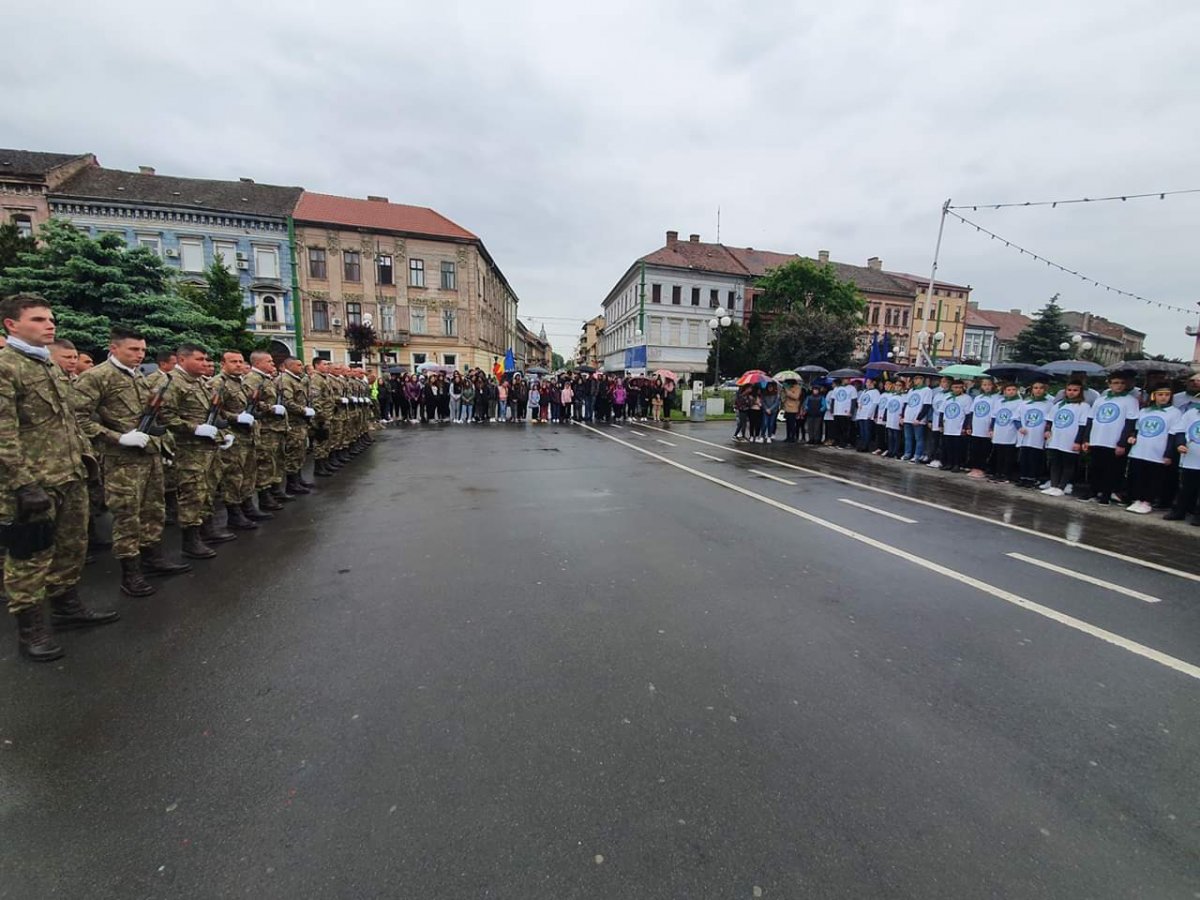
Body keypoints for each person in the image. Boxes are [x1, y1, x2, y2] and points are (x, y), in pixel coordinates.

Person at [0, 293, 118, 661]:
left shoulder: (47, 366)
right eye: (37, 319)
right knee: (30, 555)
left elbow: (66, 422)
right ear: (11, 325)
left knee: (71, 546)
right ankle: (30, 629)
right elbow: (3, 433)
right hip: (33, 482)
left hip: (68, 473)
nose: (49, 325)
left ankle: (67, 606)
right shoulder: (7, 367)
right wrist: (23, 484)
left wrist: (86, 463)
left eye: (50, 319)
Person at [72, 326, 192, 597]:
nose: (139, 355)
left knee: (153, 510)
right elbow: (77, 419)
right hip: (122, 461)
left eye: (142, 350)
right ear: (113, 348)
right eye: (133, 350)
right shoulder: (97, 377)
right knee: (127, 516)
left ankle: (153, 558)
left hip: (148, 455)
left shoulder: (138, 376)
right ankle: (130, 573)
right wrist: (117, 437)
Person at [161, 343, 235, 559]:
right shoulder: (172, 383)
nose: (205, 363)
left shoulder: (199, 383)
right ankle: (190, 541)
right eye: (199, 359)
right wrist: (195, 429)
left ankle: (206, 529)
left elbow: (211, 414)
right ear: (182, 360)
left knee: (207, 490)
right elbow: (165, 417)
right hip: (188, 450)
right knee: (192, 494)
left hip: (207, 449)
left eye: (205, 359)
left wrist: (221, 435)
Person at [1082, 372, 1140, 505]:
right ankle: (1093, 491)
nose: (1119, 386)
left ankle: (1106, 495)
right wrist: (1086, 439)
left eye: (1122, 383)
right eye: (1115, 383)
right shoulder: (1101, 399)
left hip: (1114, 441)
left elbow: (1130, 422)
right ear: (1109, 384)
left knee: (1112, 470)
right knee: (1096, 467)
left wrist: (1122, 443)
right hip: (1097, 438)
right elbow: (1091, 419)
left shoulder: (1130, 400)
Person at [1125, 384, 1181, 514]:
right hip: (1140, 449)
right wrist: (1132, 436)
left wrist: (1168, 454)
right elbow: (1137, 428)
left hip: (1158, 451)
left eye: (1166, 395)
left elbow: (1173, 434)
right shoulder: (1145, 411)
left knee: (1153, 478)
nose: (1163, 398)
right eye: (1160, 395)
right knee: (1138, 476)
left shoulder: (1175, 413)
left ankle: (1147, 501)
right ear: (1154, 396)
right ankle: (1137, 499)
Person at [1042, 380, 1091, 497]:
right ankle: (1053, 485)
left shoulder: (1084, 406)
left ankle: (1062, 486)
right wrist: (1047, 430)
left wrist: (1078, 441)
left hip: (1070, 440)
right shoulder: (1059, 404)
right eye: (1069, 390)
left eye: (1075, 390)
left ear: (1080, 392)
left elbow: (1083, 425)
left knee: (1068, 464)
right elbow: (1050, 420)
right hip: (1056, 438)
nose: (1072, 393)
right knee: (1055, 463)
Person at [1166, 395, 1200, 523]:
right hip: (1191, 457)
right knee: (1186, 487)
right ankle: (1179, 511)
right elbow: (1179, 430)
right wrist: (1180, 444)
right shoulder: (1191, 413)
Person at [1015, 380, 1053, 488]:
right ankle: (1023, 477)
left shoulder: (1049, 404)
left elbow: (1050, 419)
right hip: (1025, 435)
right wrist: (1020, 427)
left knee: (1035, 457)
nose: (1038, 390)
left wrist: (1047, 430)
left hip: (1038, 435)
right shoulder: (1025, 403)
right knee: (1024, 457)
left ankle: (1032, 478)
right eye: (1035, 388)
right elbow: (1016, 417)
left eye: (1041, 388)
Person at [988, 382, 1022, 483]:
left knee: (1008, 454)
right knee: (999, 454)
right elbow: (994, 416)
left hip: (1010, 431)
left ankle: (1006, 474)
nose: (1011, 392)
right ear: (1004, 391)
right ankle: (998, 472)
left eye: (1013, 390)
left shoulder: (1019, 402)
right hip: (999, 430)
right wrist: (991, 428)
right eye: (1008, 390)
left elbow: (1017, 417)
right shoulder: (1000, 401)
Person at [966, 376, 999, 478]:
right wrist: (969, 426)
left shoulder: (996, 398)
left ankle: (982, 468)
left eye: (989, 385)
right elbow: (972, 412)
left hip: (987, 428)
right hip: (976, 427)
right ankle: (974, 467)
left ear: (993, 386)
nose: (987, 387)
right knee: (975, 449)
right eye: (985, 385)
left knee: (985, 450)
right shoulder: (978, 397)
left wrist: (992, 428)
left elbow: (995, 415)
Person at [901, 375, 932, 462]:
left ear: (922, 379)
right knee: (908, 437)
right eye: (915, 379)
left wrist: (919, 418)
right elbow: (906, 404)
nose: (916, 380)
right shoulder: (911, 390)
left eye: (918, 379)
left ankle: (917, 455)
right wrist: (903, 416)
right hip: (908, 417)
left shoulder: (927, 390)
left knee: (918, 438)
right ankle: (907, 453)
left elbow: (926, 405)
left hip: (917, 419)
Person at [829, 378, 857, 448]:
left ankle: (843, 443)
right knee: (836, 428)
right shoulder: (837, 388)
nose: (846, 380)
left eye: (847, 379)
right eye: (844, 379)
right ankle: (837, 442)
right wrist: (832, 410)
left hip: (845, 412)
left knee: (844, 429)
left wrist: (851, 411)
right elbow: (833, 399)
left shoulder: (852, 388)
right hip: (837, 411)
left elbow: (853, 401)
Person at [854, 378, 879, 452]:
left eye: (868, 382)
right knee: (862, 431)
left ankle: (866, 446)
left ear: (872, 383)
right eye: (866, 382)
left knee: (867, 431)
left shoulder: (875, 392)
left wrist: (870, 414)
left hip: (868, 415)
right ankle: (861, 444)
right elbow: (859, 401)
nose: (867, 384)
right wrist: (859, 405)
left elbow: (875, 404)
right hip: (861, 413)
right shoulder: (865, 391)